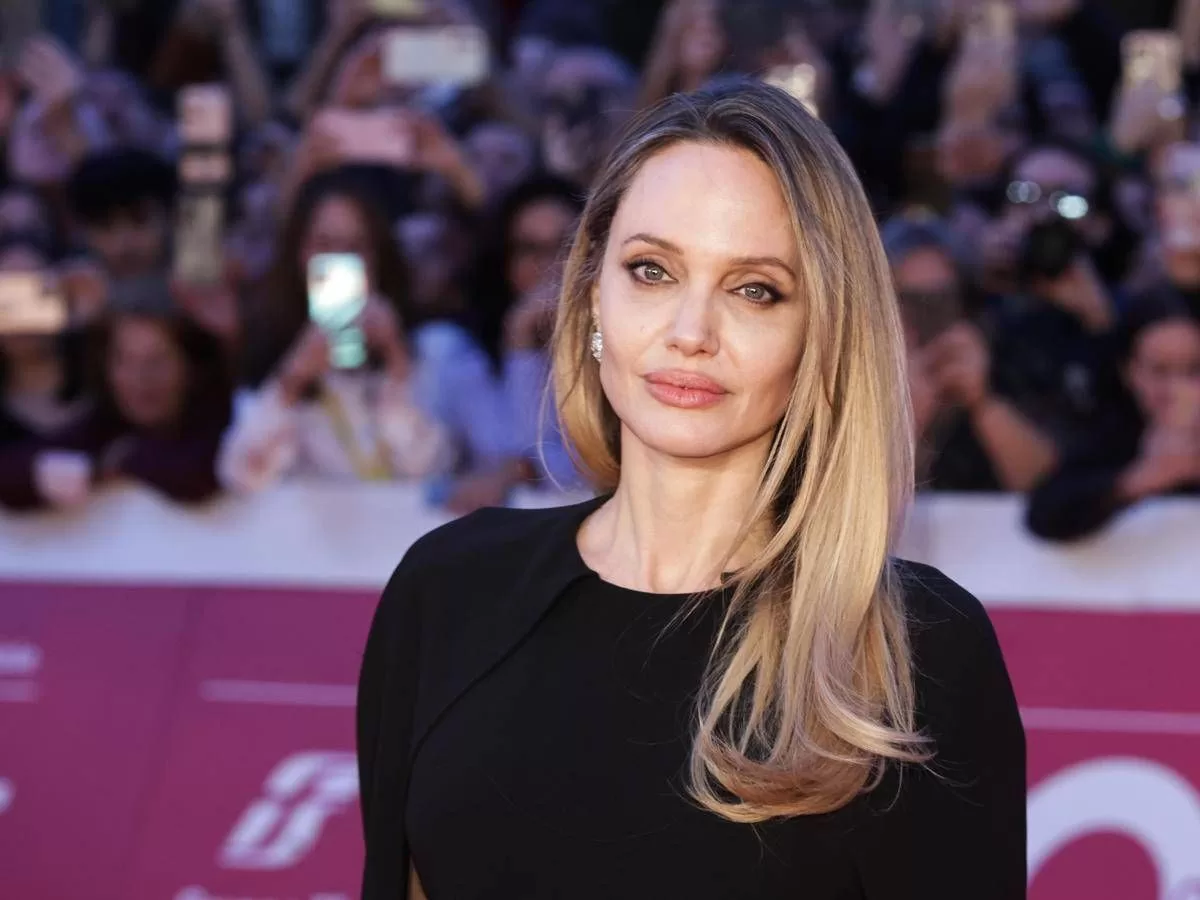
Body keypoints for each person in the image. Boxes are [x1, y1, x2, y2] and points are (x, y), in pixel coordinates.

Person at [357, 81, 1025, 900]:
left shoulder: (919, 652)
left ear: (820, 336)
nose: (690, 332)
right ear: (592, 294)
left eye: (754, 289)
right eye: (652, 271)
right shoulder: (447, 590)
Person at [0, 294, 232, 511]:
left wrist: (120, 463)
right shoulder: (105, 424)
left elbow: (200, 473)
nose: (140, 379)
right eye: (124, 361)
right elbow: (11, 468)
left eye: (158, 361)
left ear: (191, 368)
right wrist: (79, 470)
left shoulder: (223, 417)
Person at [1026, 292, 1200, 541]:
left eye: (1194, 369)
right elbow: (1045, 514)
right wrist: (1142, 479)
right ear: (1129, 372)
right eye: (1160, 370)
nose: (1178, 387)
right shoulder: (1114, 432)